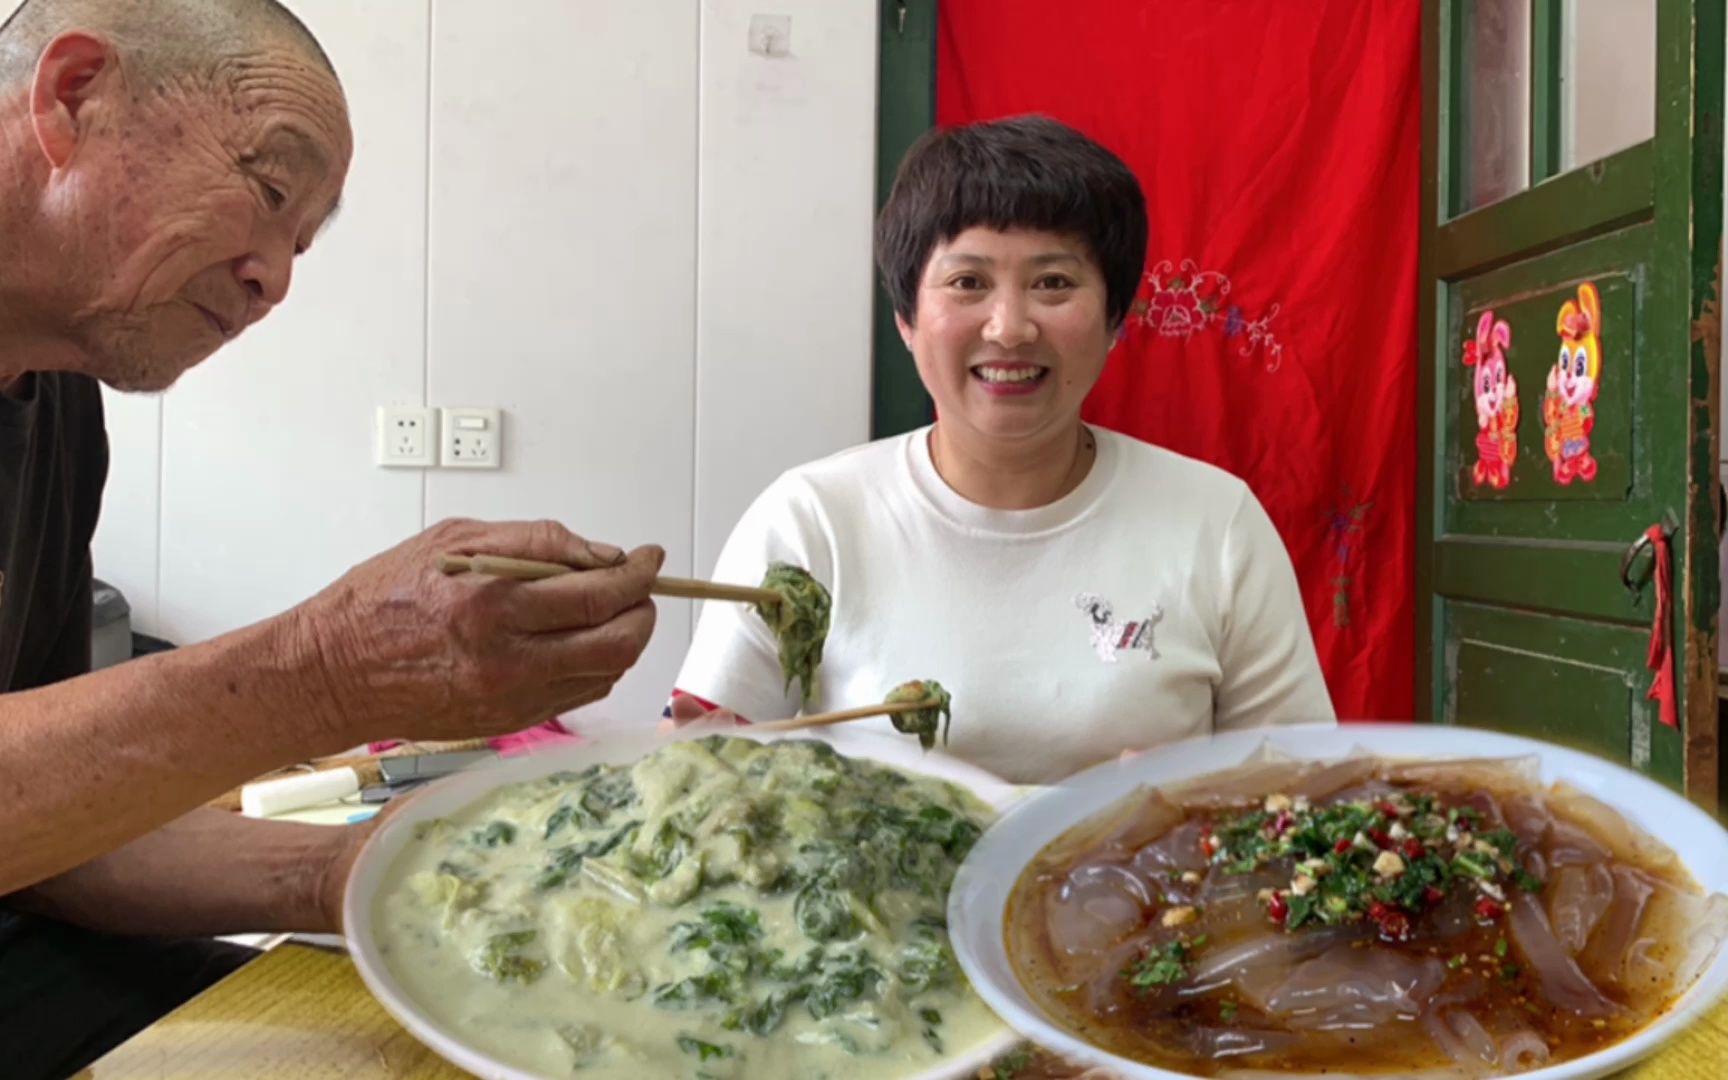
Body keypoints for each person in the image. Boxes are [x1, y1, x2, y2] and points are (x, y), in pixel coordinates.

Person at [0, 2, 661, 1074]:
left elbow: (50, 826)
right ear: (73, 94)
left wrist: (369, 871)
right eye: (267, 193)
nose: (277, 280)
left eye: (301, 240)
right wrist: (322, 671)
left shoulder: (63, 409)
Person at [672, 115, 1335, 784]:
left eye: (1053, 283)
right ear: (906, 318)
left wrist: (1206, 803)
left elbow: (1307, 793)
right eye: (967, 282)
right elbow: (699, 773)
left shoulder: (1216, 522)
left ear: (1114, 320)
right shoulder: (810, 521)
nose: (1010, 328)